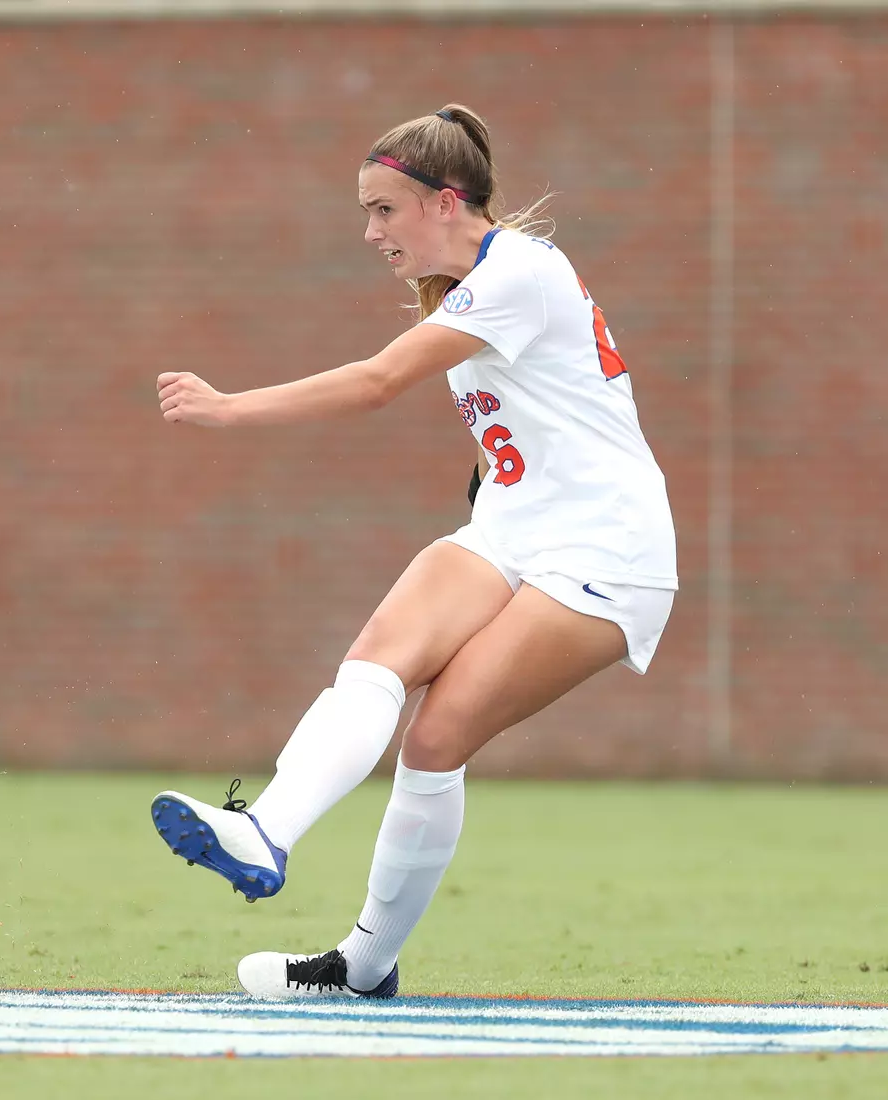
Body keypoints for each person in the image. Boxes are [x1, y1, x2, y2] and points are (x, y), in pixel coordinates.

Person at [149, 104, 677, 1000]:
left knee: (433, 740)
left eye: (382, 210)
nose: (369, 231)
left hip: (606, 551)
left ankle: (362, 963)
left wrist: (226, 407)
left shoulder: (520, 271)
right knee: (374, 664)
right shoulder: (470, 285)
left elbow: (376, 383)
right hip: (512, 529)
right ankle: (262, 832)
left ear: (443, 200)